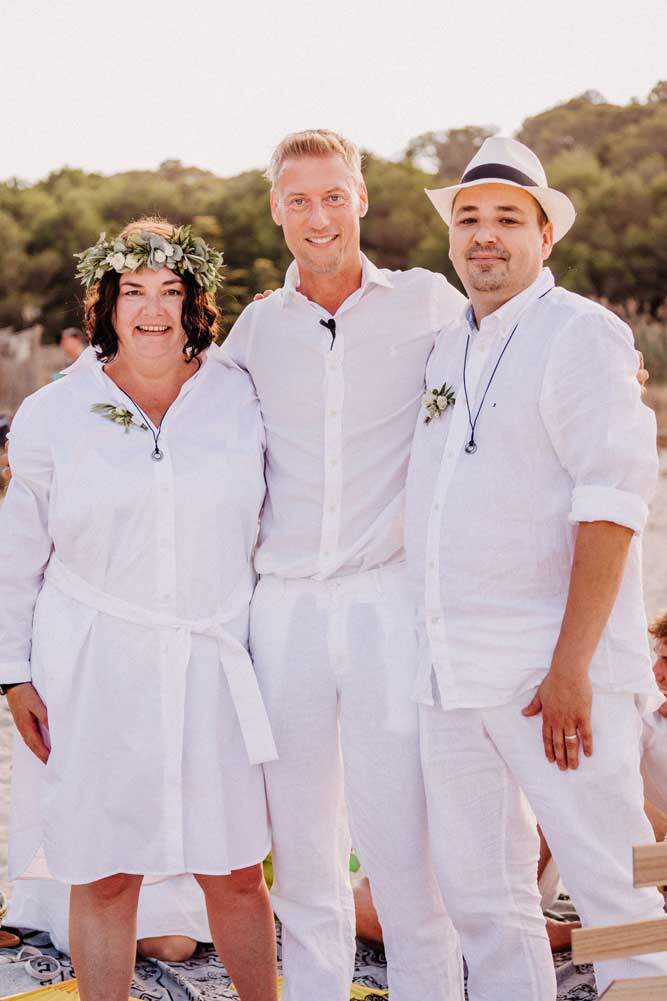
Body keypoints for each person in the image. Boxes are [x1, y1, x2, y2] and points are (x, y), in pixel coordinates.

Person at [405, 136, 667, 999]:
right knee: (482, 894)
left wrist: (570, 667)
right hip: (455, 675)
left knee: (616, 886)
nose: (485, 236)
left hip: (559, 676)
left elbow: (612, 507)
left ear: (544, 235)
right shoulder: (449, 346)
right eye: (469, 219)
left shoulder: (583, 334)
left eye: (507, 219)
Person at [0, 218, 278, 1001]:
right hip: (94, 663)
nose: (152, 309)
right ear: (106, 302)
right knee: (106, 870)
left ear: (193, 301)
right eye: (134, 292)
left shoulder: (239, 395)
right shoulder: (56, 412)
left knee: (232, 868)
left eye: (169, 290)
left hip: (214, 660)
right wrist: (13, 675)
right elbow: (17, 554)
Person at [222, 129, 467, 1001]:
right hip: (281, 607)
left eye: (332, 196)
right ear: (277, 211)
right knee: (302, 847)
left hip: (384, 601)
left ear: (360, 198)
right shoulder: (254, 330)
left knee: (403, 839)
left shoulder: (429, 305)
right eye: (297, 200)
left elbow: (517, 350)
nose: (316, 216)